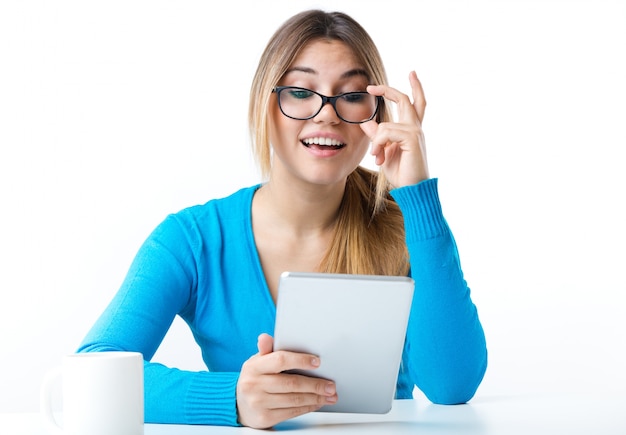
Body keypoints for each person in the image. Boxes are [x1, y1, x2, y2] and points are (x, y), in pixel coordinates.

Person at [78, 9, 488, 429]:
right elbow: (91, 373)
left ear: (375, 115)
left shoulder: (409, 224)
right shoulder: (193, 240)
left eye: (350, 95)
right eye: (300, 91)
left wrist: (417, 195)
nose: (326, 113)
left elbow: (452, 385)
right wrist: (233, 399)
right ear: (265, 105)